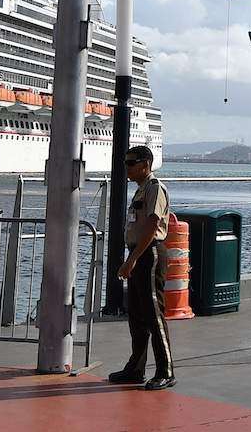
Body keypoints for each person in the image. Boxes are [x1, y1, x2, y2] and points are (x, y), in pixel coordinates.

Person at [111, 144, 175, 391]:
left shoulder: (155, 188)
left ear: (145, 165)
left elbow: (151, 225)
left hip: (149, 254)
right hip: (138, 253)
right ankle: (135, 368)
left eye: (130, 163)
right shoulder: (140, 191)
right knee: (136, 314)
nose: (126, 167)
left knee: (154, 314)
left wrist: (133, 259)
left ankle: (165, 370)